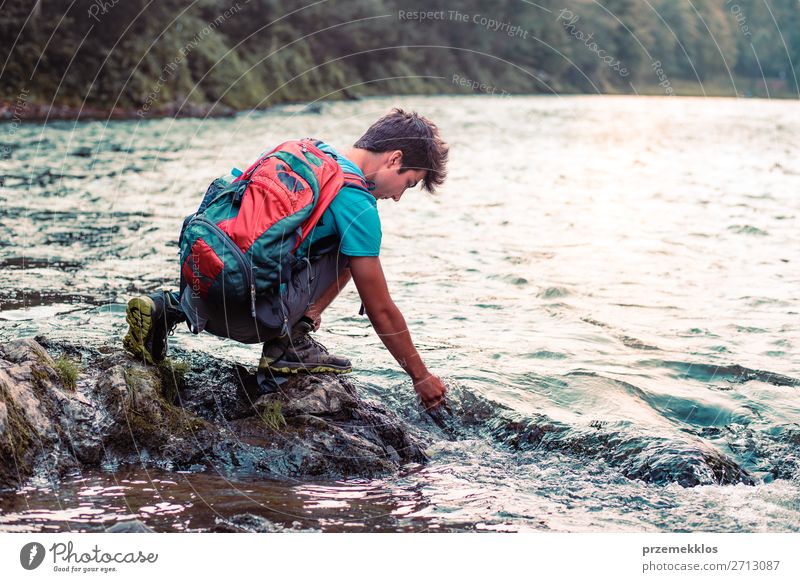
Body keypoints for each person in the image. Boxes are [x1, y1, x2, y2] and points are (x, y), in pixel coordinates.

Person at [123, 108, 449, 410]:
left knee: (327, 243)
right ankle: (288, 344)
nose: (397, 196)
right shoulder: (357, 203)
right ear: (394, 159)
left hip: (202, 299)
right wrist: (420, 376)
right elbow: (381, 310)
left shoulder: (302, 150)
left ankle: (164, 307)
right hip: (252, 321)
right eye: (408, 183)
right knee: (357, 252)